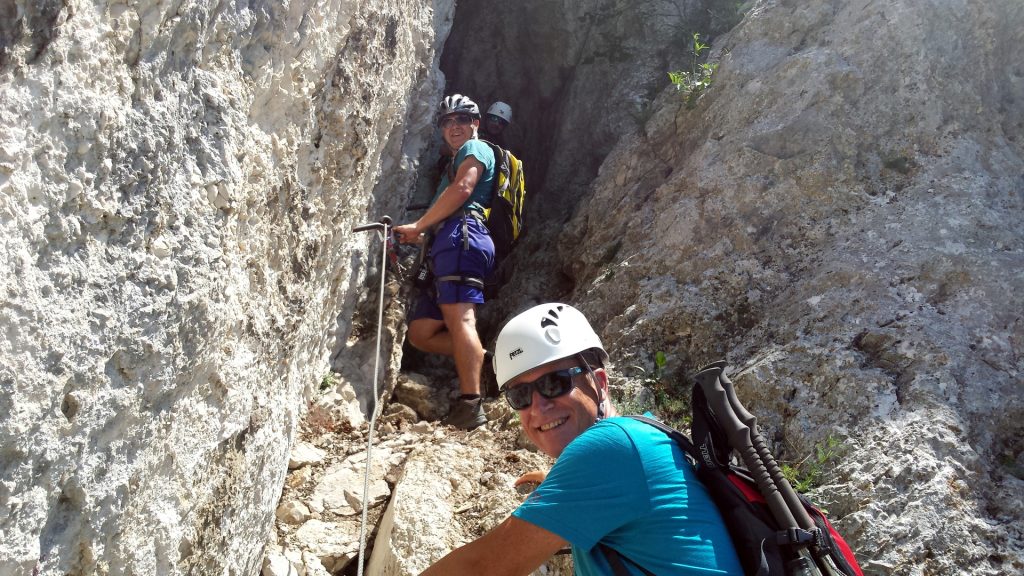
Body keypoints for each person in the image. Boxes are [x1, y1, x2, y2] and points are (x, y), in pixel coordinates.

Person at [420, 303, 743, 575]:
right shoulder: (643, 432)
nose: (538, 406)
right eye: (520, 394)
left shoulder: (611, 449)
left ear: (598, 381)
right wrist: (561, 485)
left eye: (555, 383)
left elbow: (483, 568)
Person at [395, 94, 496, 430]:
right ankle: (481, 359)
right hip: (448, 239)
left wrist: (419, 225)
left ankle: (471, 406)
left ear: (475, 124)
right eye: (448, 122)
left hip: (463, 235)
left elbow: (464, 189)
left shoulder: (475, 150)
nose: (455, 127)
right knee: (421, 333)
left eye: (462, 120)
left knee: (460, 318)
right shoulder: (455, 159)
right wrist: (420, 233)